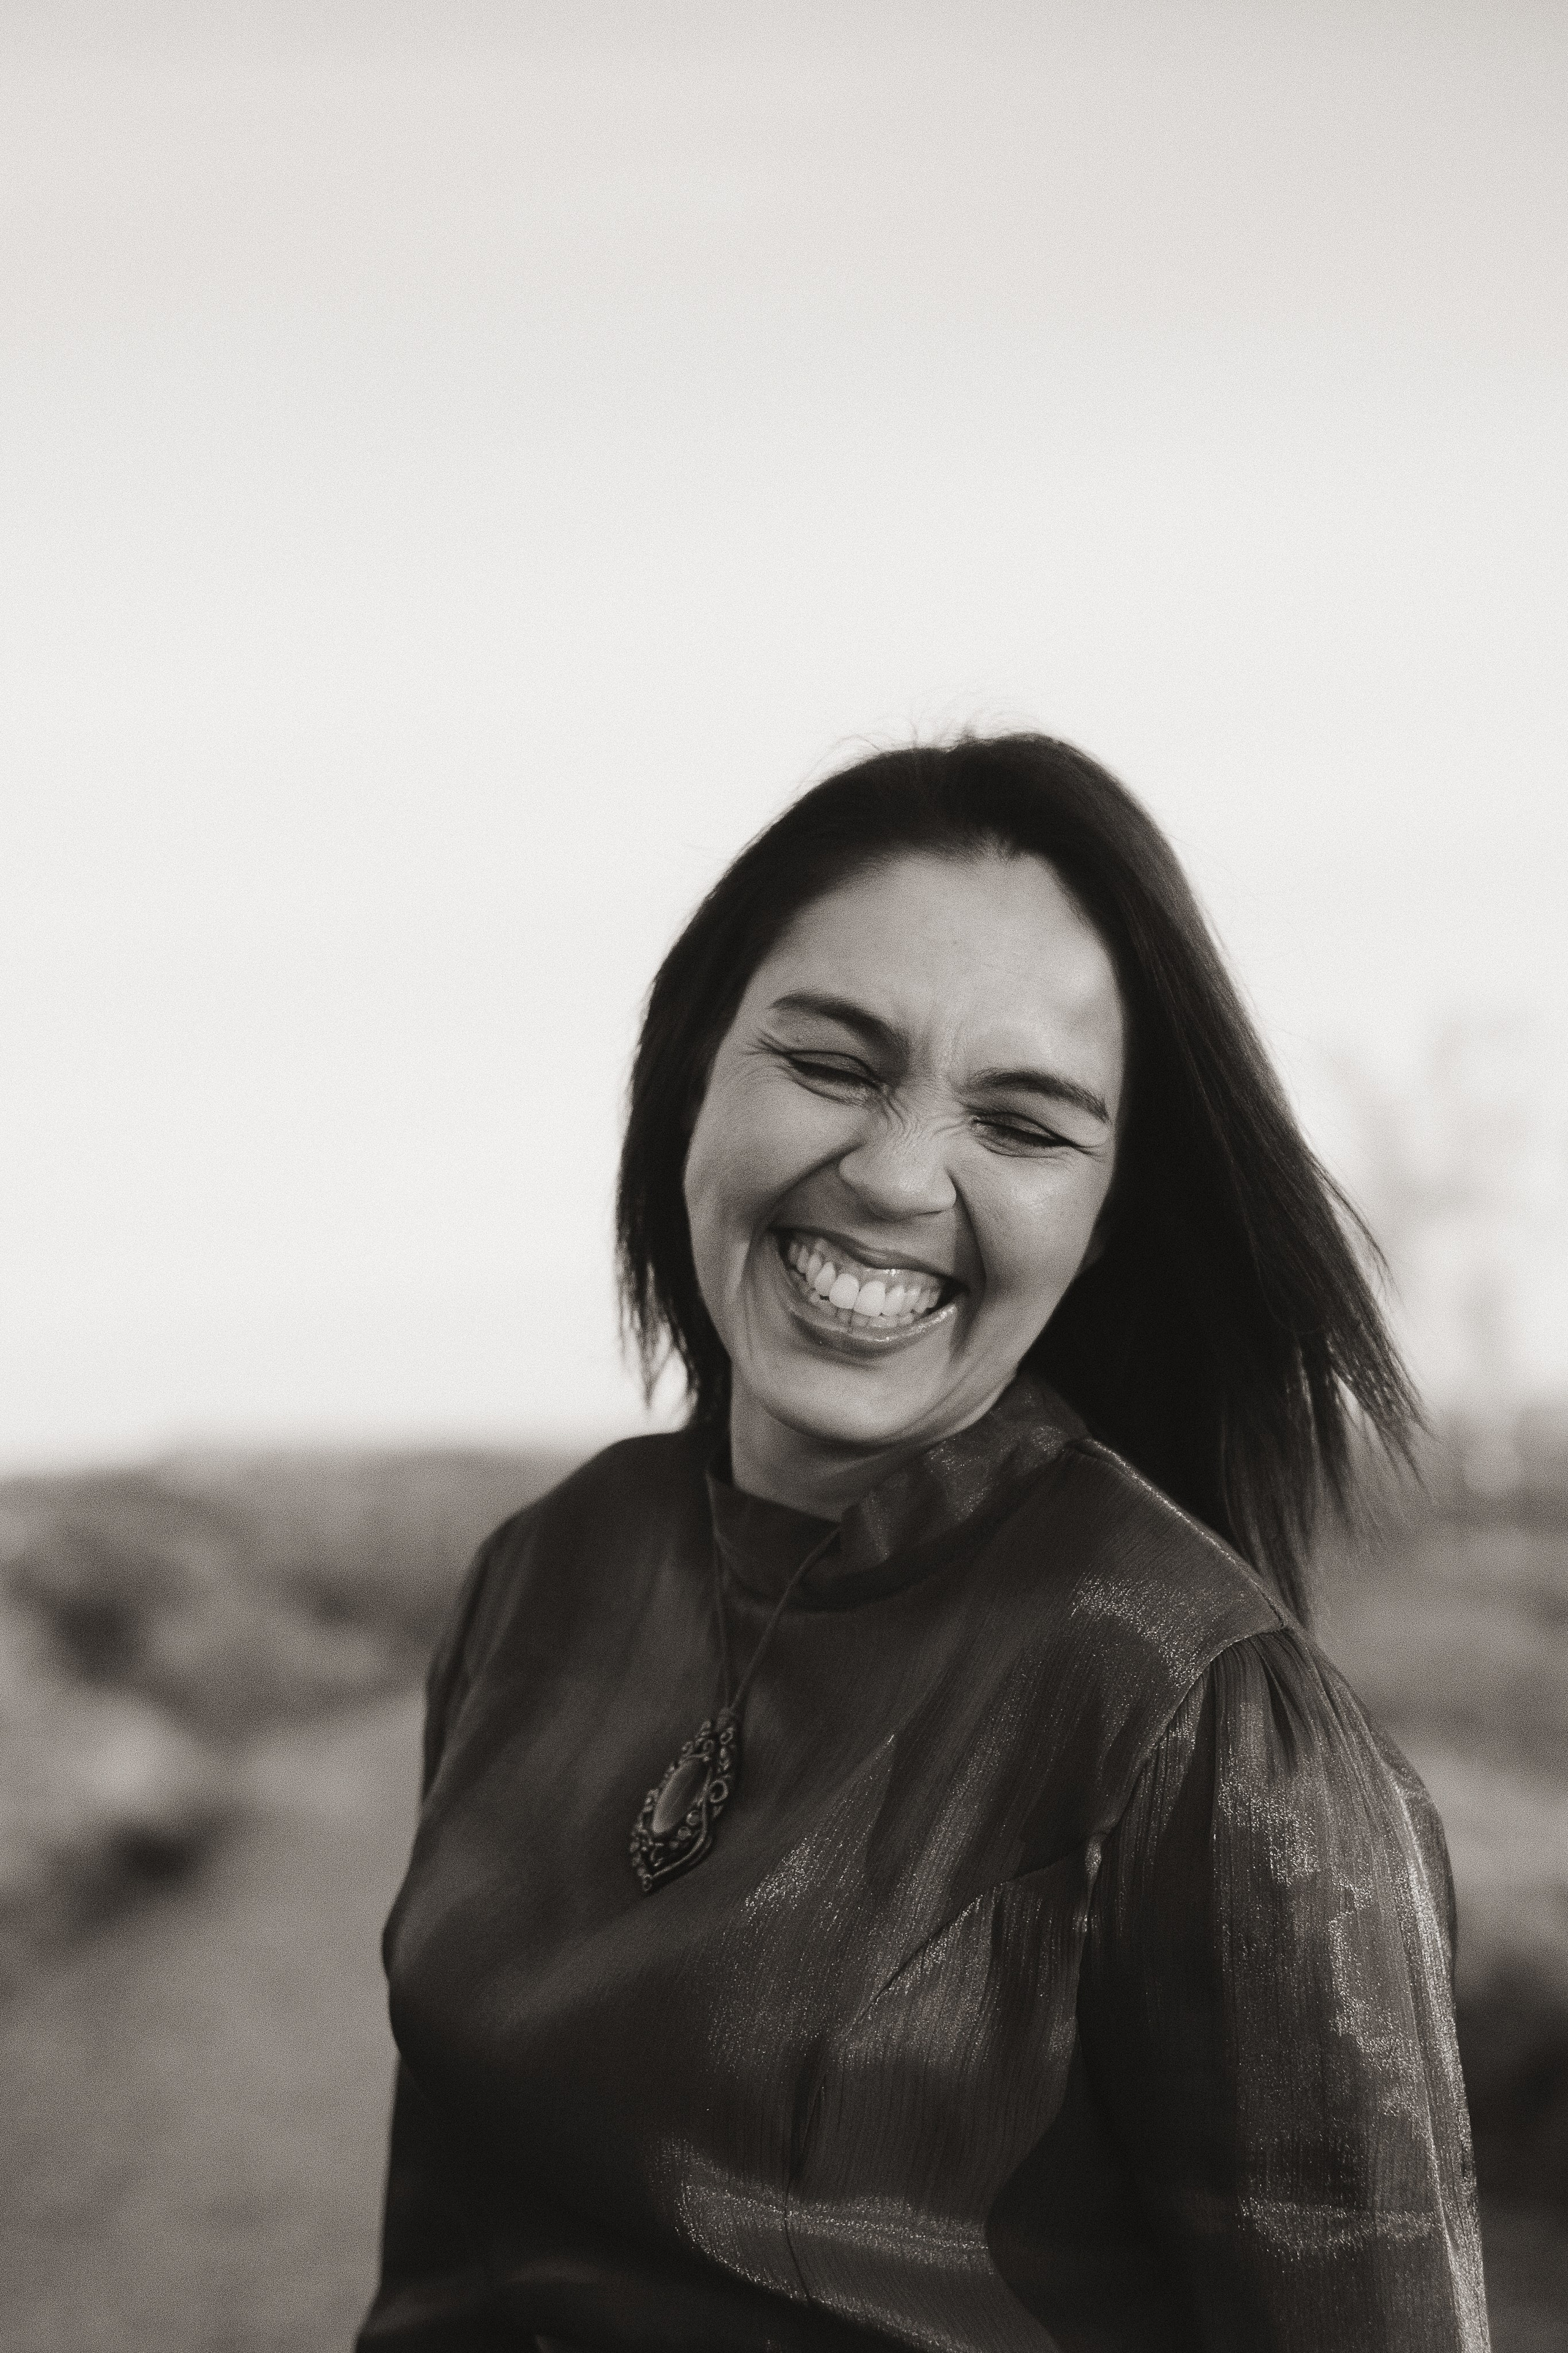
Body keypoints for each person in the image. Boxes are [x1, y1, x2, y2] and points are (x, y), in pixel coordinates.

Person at [357, 735, 1488, 2352]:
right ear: (693, 1063)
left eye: (1023, 1126)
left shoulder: (1205, 1719)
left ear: (1108, 1216)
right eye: (829, 1064)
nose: (892, 1176)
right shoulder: (547, 1572)